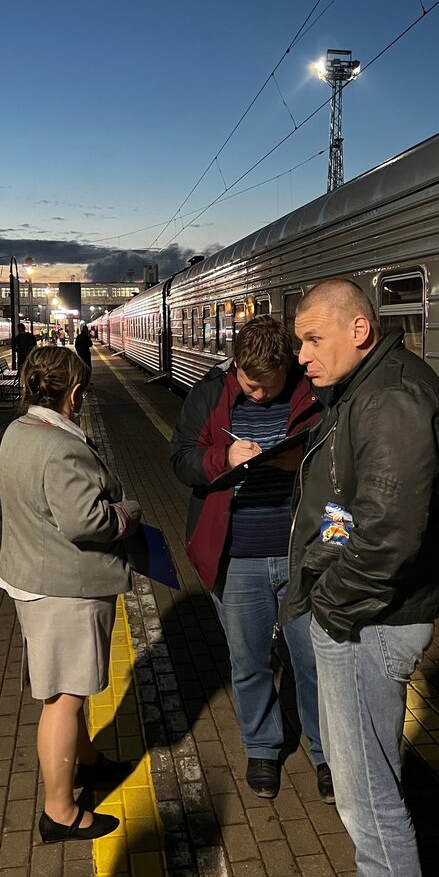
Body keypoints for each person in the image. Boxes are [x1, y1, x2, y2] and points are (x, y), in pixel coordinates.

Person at [282, 280, 439, 877]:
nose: (301, 356)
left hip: (367, 623)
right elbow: (350, 506)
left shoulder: (388, 402)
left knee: (371, 805)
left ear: (360, 329)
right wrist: (325, 564)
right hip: (367, 614)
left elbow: (386, 538)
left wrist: (329, 610)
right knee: (375, 786)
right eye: (298, 341)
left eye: (313, 339)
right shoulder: (370, 387)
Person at [169, 315, 331, 802]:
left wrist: (300, 463)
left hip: (301, 555)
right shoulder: (209, 396)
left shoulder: (313, 393)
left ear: (289, 369)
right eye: (250, 384)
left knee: (315, 663)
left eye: (270, 385)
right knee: (249, 662)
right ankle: (262, 747)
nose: (259, 394)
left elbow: (341, 459)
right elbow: (180, 460)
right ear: (235, 366)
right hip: (236, 557)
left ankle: (327, 754)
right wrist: (223, 459)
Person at [0, 345, 141, 843]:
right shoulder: (62, 447)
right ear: (74, 393)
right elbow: (88, 522)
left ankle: (88, 761)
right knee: (63, 698)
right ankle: (59, 812)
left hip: (32, 577)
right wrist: (126, 513)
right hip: (64, 587)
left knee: (65, 689)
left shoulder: (18, 431)